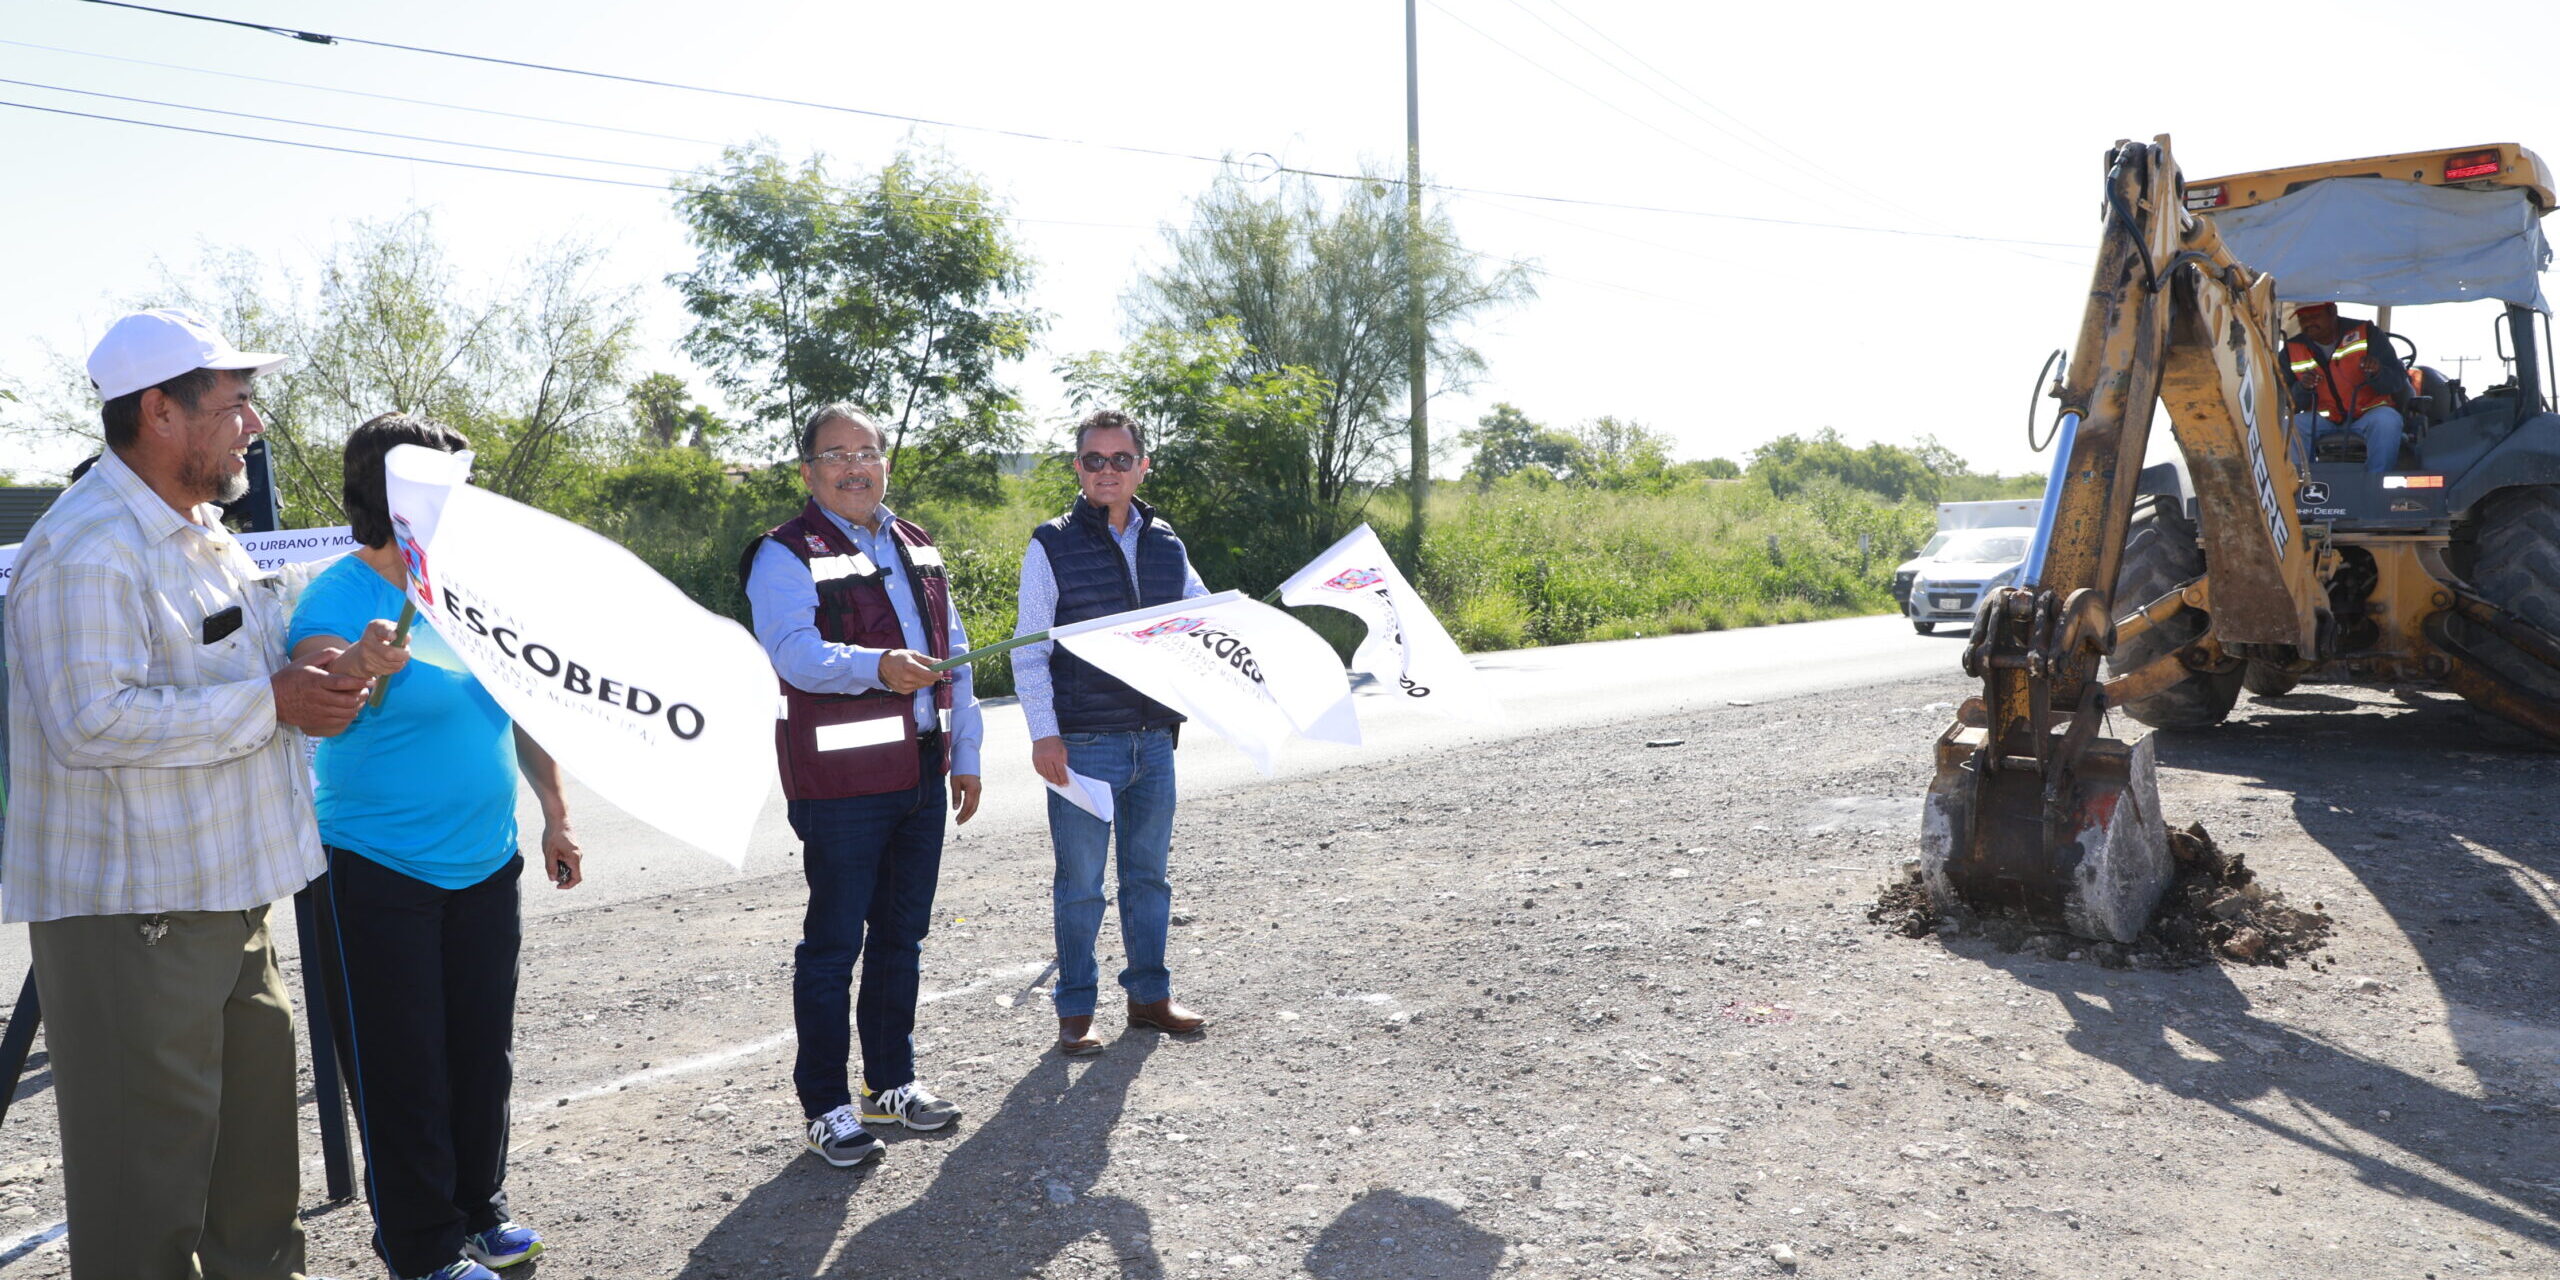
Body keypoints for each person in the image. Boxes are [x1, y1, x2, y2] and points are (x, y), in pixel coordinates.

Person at [2, 308, 383, 1280]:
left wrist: (311, 661)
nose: (253, 422)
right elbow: (89, 719)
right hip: (137, 924)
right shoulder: (88, 548)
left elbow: (231, 660)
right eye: (235, 402)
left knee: (255, 1201)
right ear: (158, 413)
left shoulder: (197, 528)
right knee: (146, 1215)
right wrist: (273, 698)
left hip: (226, 902)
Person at [287, 414, 581, 1280]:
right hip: (377, 868)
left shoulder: (471, 589)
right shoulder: (339, 594)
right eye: (444, 482)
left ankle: (479, 1210)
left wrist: (555, 812)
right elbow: (319, 670)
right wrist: (360, 664)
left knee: (478, 1051)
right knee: (400, 1065)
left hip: (486, 860)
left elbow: (526, 706)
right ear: (392, 493)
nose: (464, 497)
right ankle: (422, 1251)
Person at [741, 404, 983, 1168]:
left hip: (920, 770)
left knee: (901, 938)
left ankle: (891, 1084)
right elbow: (794, 655)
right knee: (834, 945)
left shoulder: (916, 543)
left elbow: (959, 654)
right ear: (809, 471)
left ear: (886, 463)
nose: (855, 466)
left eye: (867, 452)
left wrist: (966, 753)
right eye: (836, 454)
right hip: (841, 781)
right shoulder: (783, 554)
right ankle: (826, 1105)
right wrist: (875, 665)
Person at [1013, 408, 1213, 1058]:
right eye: (1094, 460)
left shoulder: (1167, 544)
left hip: (1153, 741)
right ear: (1078, 467)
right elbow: (1029, 649)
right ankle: (1076, 1013)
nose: (1107, 471)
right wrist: (1045, 734)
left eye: (1120, 459)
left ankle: (1149, 998)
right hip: (1084, 744)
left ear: (1142, 466)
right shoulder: (1051, 543)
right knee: (1080, 888)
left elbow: (1199, 619)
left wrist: (1236, 619)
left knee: (1149, 880)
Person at [2286, 301, 2407, 474]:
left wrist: (2377, 372)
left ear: (2332, 311)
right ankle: (2303, 486)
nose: (2308, 323)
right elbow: (2289, 402)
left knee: (2387, 421)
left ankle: (2376, 482)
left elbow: (2397, 381)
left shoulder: (2368, 334)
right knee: (2292, 425)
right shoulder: (2292, 349)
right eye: (2302, 318)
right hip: (2324, 419)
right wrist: (2303, 388)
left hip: (2367, 414)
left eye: (2314, 316)